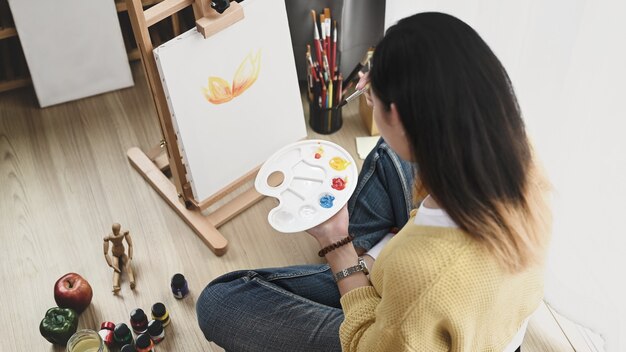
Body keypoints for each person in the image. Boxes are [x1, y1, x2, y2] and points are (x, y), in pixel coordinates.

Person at [196, 12, 551, 351]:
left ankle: (360, 258)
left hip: (403, 318)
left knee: (220, 301)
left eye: (373, 98)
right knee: (388, 153)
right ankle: (368, 257)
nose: (366, 94)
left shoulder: (420, 275)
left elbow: (366, 345)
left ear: (395, 113)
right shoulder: (518, 151)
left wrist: (337, 244)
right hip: (466, 311)